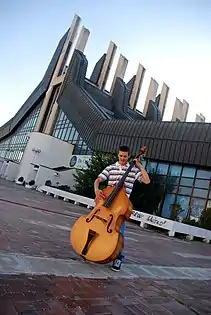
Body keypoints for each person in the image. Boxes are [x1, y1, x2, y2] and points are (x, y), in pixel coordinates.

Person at [93, 145, 150, 271]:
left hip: (120, 208)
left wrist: (139, 166)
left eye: (125, 156)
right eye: (120, 155)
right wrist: (97, 190)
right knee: (97, 227)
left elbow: (147, 181)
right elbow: (98, 180)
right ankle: (95, 250)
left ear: (129, 156)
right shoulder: (111, 168)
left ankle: (119, 258)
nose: (122, 158)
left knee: (119, 234)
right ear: (118, 155)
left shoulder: (133, 170)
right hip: (107, 204)